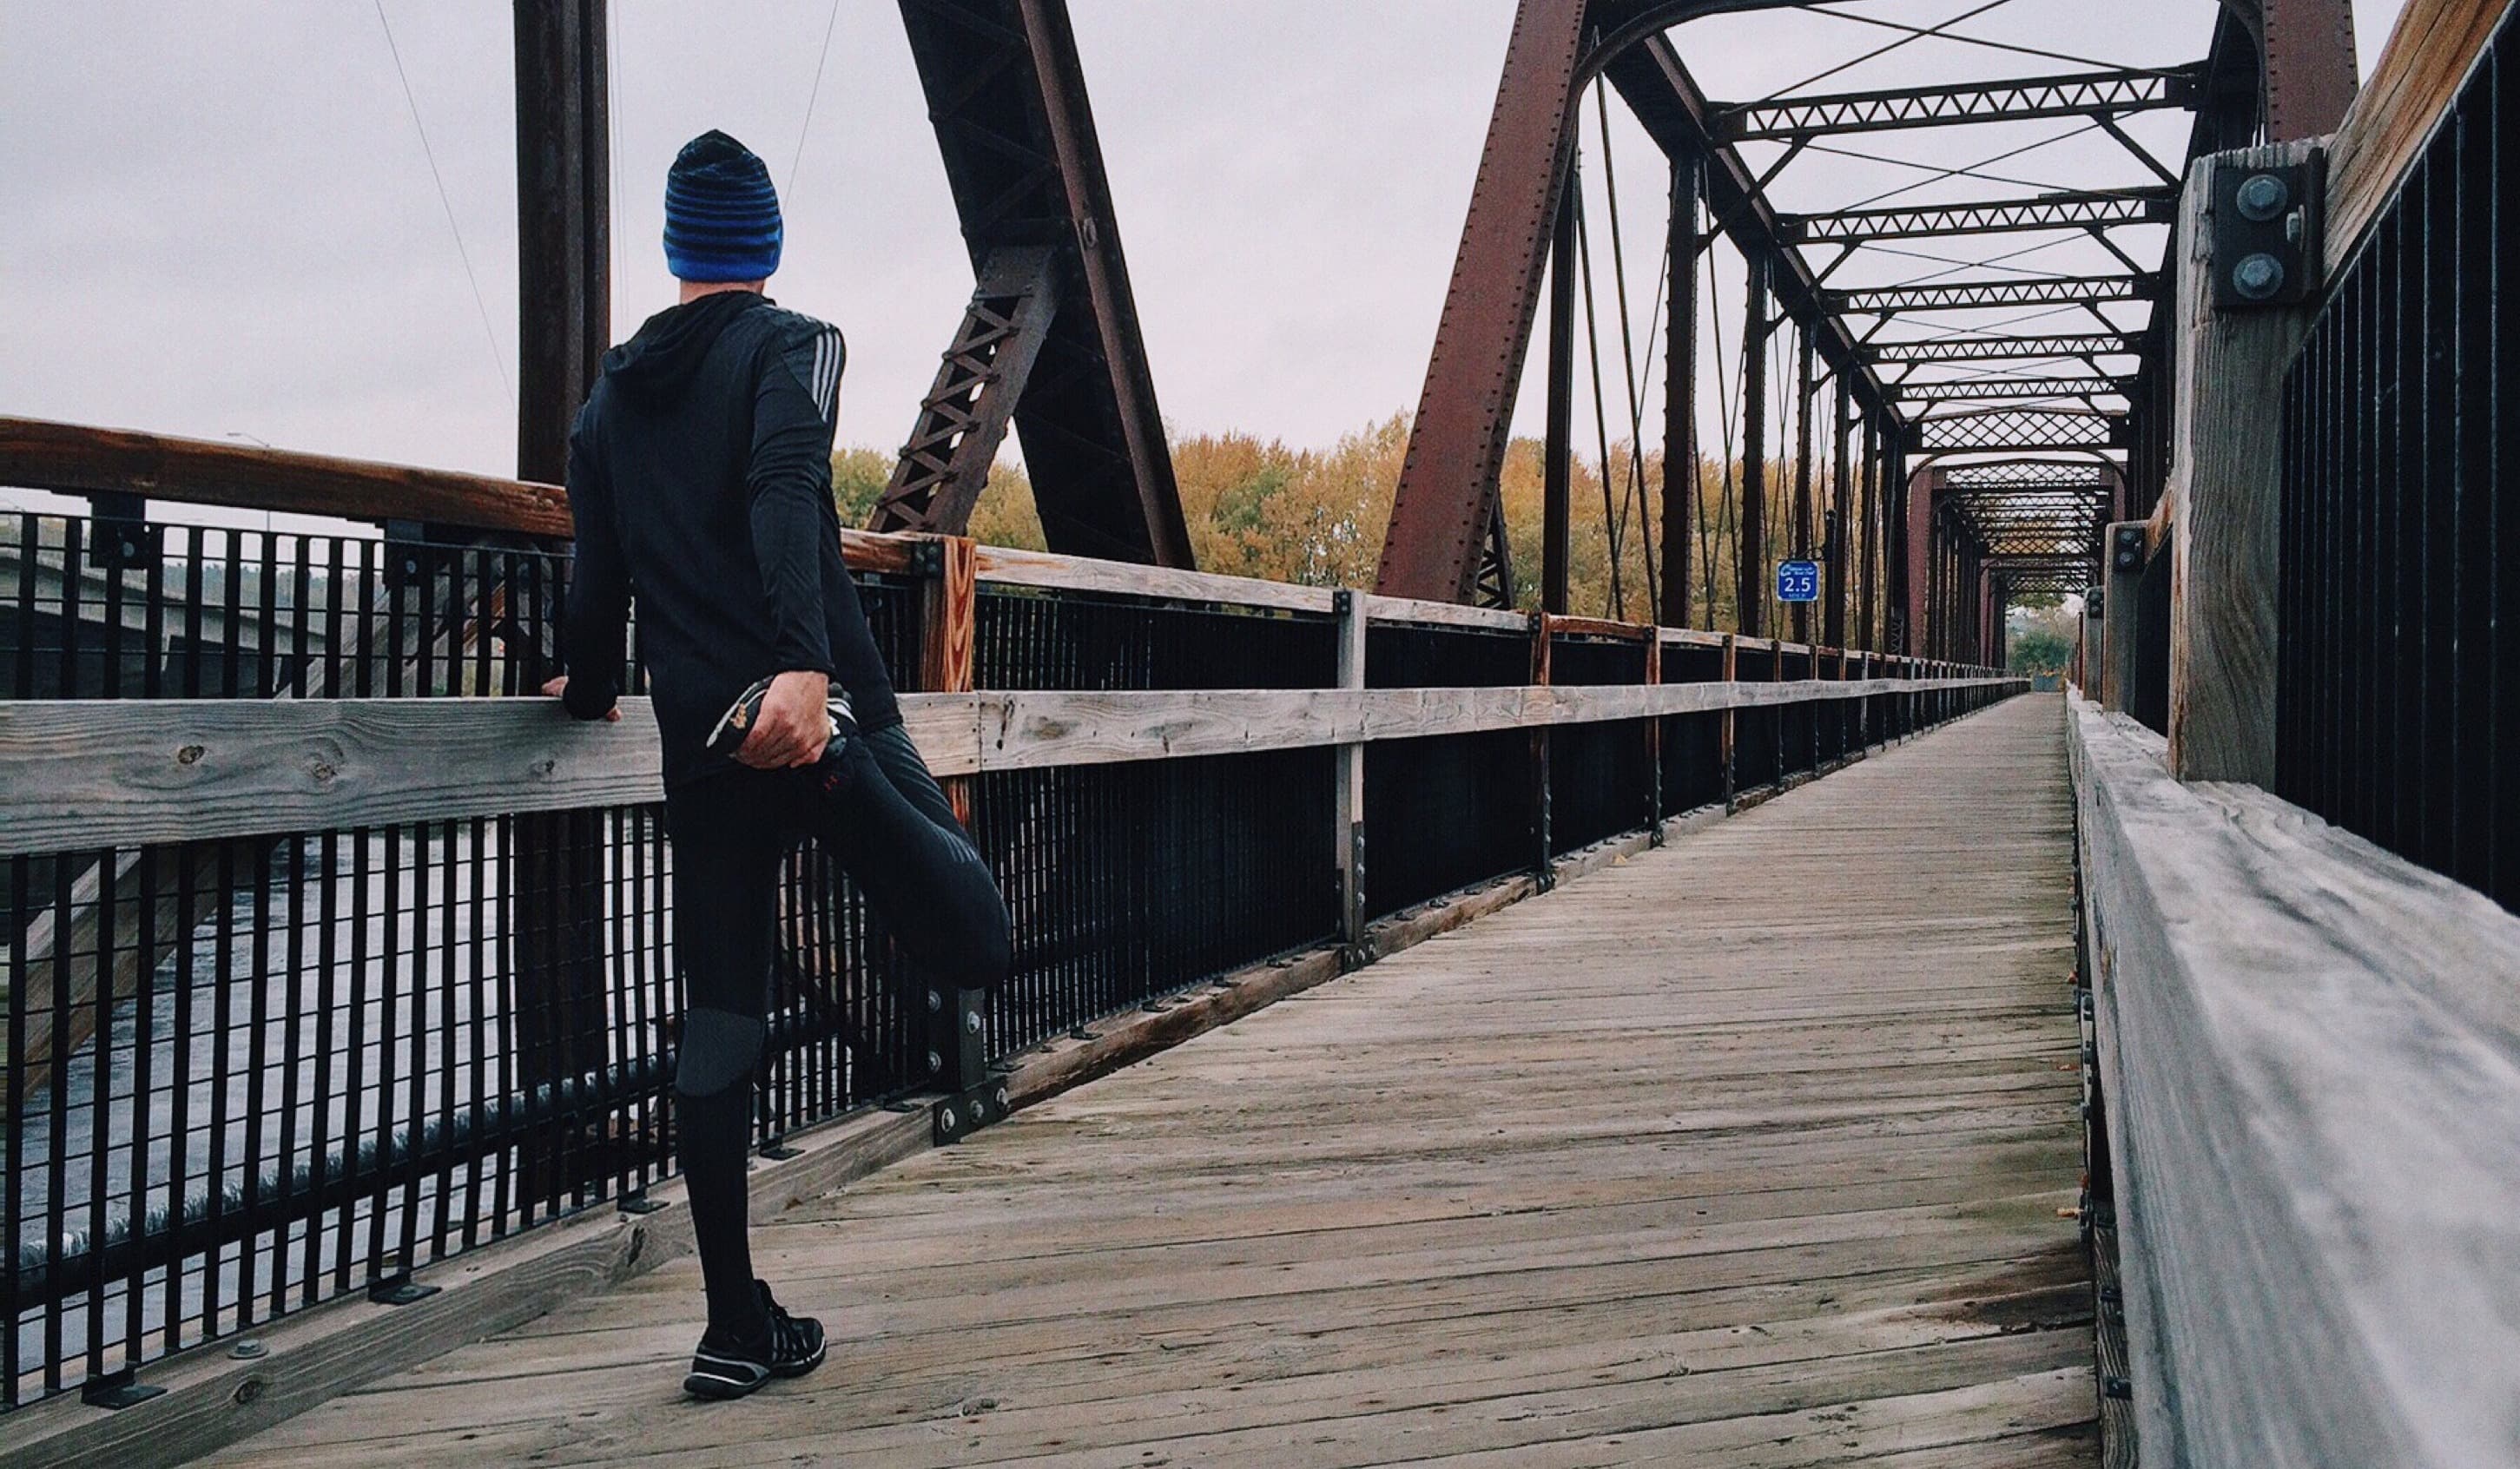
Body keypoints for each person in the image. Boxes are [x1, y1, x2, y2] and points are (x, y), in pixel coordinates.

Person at [541, 129, 1013, 1400]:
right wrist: (811, 682)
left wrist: (583, 690)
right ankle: (841, 774)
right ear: (764, 243)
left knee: (721, 1017)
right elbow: (784, 488)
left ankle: (733, 1323)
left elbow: (596, 590)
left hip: (701, 743)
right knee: (973, 939)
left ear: (673, 249)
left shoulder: (603, 405)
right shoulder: (794, 345)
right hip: (820, 716)